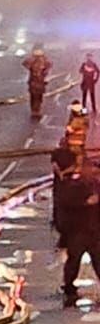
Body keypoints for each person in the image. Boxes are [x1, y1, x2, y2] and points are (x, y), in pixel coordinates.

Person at [55, 161, 100, 307]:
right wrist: (86, 202)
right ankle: (69, 287)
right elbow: (67, 204)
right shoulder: (75, 186)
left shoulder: (95, 186)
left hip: (93, 231)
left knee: (97, 260)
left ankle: (69, 286)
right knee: (75, 260)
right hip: (79, 232)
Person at [23, 46, 52, 119]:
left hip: (39, 83)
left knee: (38, 97)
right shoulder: (32, 62)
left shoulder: (44, 62)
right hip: (34, 83)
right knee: (34, 97)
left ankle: (36, 110)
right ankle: (34, 111)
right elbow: (25, 63)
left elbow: (49, 65)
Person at [66, 103, 90, 168]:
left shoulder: (77, 121)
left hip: (75, 141)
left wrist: (68, 127)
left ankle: (77, 170)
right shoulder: (84, 119)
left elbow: (71, 129)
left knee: (77, 155)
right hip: (80, 140)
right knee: (80, 153)